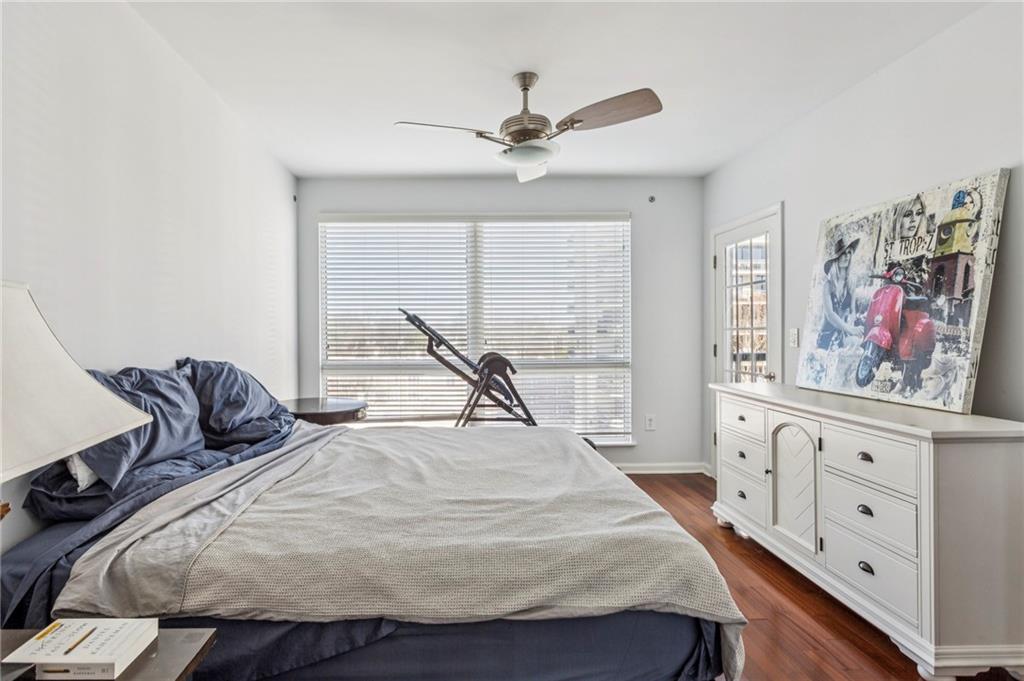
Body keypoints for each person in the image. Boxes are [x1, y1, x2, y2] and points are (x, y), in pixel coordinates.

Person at [817, 235, 862, 350]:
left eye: (849, 253)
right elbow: (830, 314)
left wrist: (851, 326)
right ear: (836, 259)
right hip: (828, 336)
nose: (846, 256)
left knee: (859, 343)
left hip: (844, 333)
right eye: (843, 253)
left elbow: (852, 311)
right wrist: (849, 329)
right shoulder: (828, 285)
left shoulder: (851, 283)